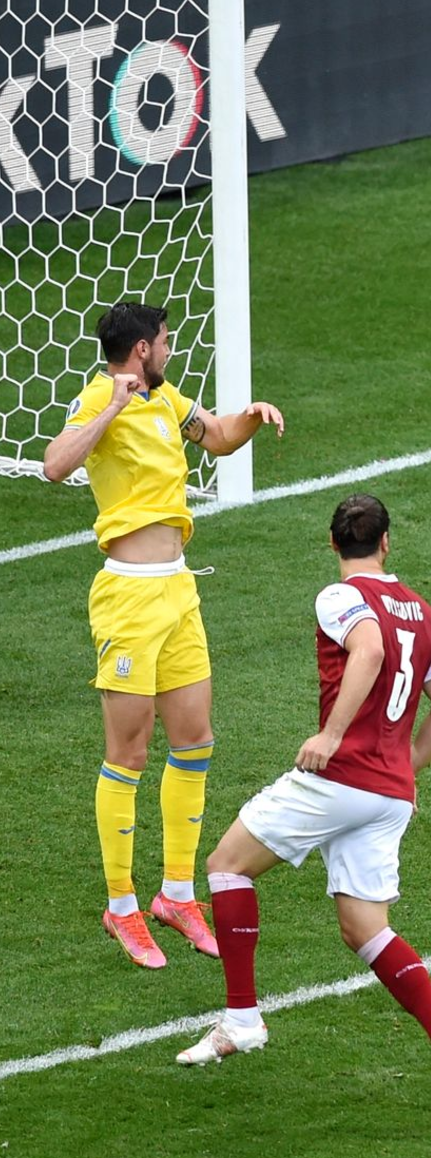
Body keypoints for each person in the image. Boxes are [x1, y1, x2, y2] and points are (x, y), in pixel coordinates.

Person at [176, 493, 431, 1129]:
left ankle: (242, 1019)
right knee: (365, 930)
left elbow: (368, 652)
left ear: (332, 543)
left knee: (227, 865)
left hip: (339, 778)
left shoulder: (340, 597)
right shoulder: (427, 614)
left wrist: (332, 735)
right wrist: (400, 770)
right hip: (387, 792)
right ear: (387, 543)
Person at [42, 302, 285, 969]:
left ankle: (176, 893)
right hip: (127, 595)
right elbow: (54, 464)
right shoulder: (101, 395)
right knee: (129, 751)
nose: (171, 347)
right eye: (166, 341)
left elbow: (217, 436)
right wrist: (111, 409)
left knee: (194, 738)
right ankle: (120, 905)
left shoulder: (168, 397)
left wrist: (252, 417)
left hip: (179, 589)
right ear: (141, 349)